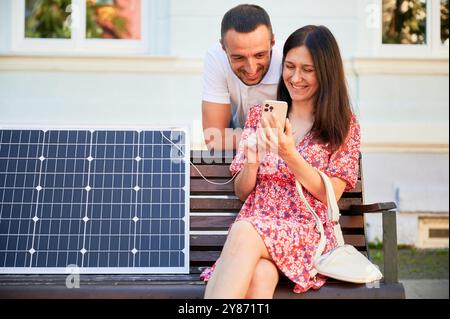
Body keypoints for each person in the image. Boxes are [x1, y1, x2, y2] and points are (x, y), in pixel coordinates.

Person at [200, 25, 361, 298]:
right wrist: (251, 159)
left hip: (304, 232)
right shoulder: (259, 116)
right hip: (257, 227)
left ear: (326, 72)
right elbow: (242, 192)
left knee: (243, 229)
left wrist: (289, 154)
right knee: (259, 277)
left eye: (307, 70)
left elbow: (330, 194)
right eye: (290, 66)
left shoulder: (343, 125)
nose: (296, 78)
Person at [201, 4, 282, 151]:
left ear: (272, 43)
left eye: (260, 55)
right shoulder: (216, 58)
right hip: (237, 153)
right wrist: (272, 136)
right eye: (239, 57)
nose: (251, 69)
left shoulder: (288, 61)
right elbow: (214, 140)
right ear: (223, 48)